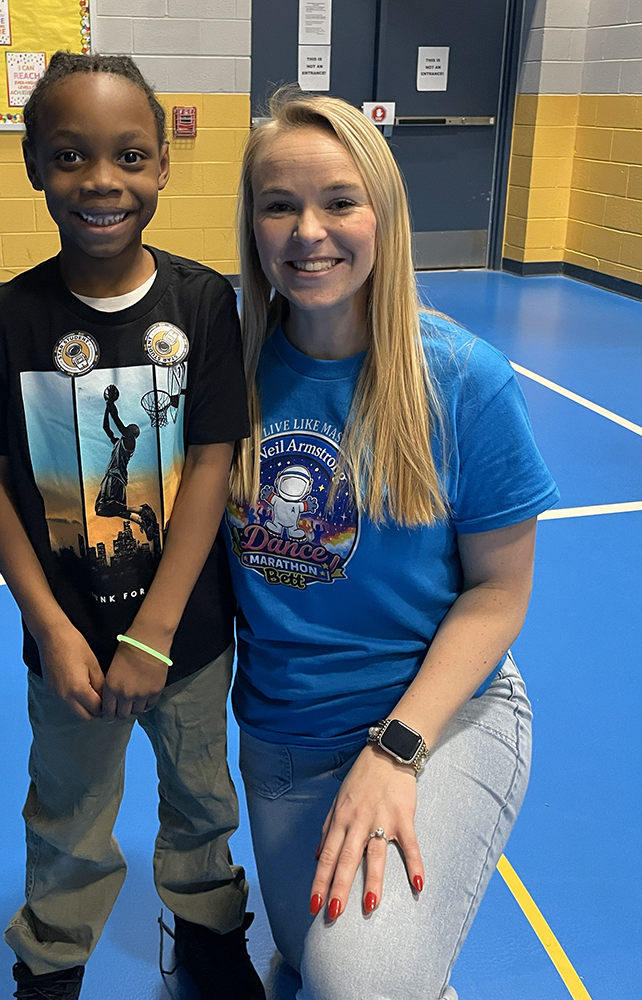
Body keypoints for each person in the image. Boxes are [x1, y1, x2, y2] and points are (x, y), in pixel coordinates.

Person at [225, 89, 560, 1000]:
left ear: (384, 213)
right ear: (252, 223)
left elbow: (499, 593)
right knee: (303, 963)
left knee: (358, 984)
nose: (309, 232)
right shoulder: (228, 371)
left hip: (437, 717)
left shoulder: (462, 378)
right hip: (284, 737)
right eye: (279, 205)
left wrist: (397, 749)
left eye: (340, 201)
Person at [0, 52, 265, 1000]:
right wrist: (51, 628)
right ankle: (52, 959)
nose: (101, 181)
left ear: (162, 166)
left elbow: (211, 464)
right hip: (71, 651)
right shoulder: (5, 320)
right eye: (70, 155)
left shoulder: (203, 303)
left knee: (204, 797)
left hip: (188, 640)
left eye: (129, 156)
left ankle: (207, 936)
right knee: (68, 810)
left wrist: (155, 634)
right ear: (34, 165)